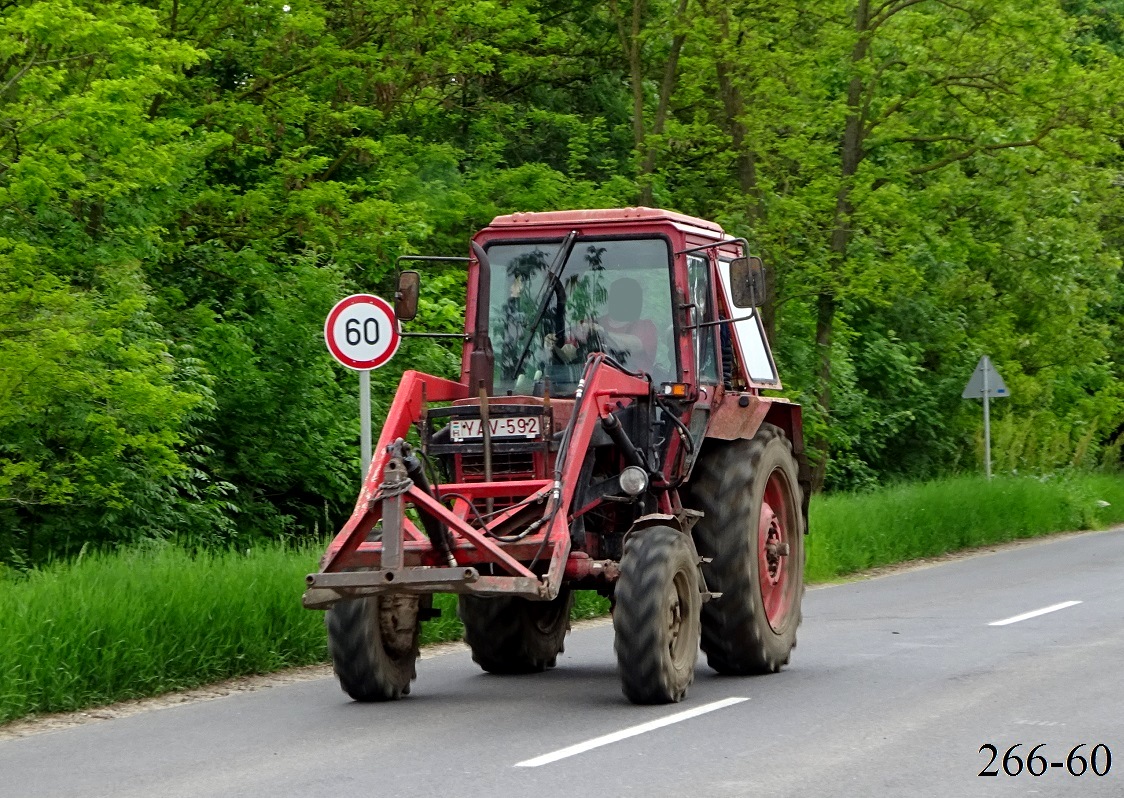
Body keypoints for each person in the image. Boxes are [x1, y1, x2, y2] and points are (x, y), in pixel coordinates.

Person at [553, 276, 658, 375]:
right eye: (621, 296)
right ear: (611, 299)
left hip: (636, 390)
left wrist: (601, 333)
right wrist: (553, 347)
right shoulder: (590, 323)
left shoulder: (645, 327)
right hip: (589, 388)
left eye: (630, 297)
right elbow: (568, 355)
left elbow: (635, 344)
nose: (625, 302)